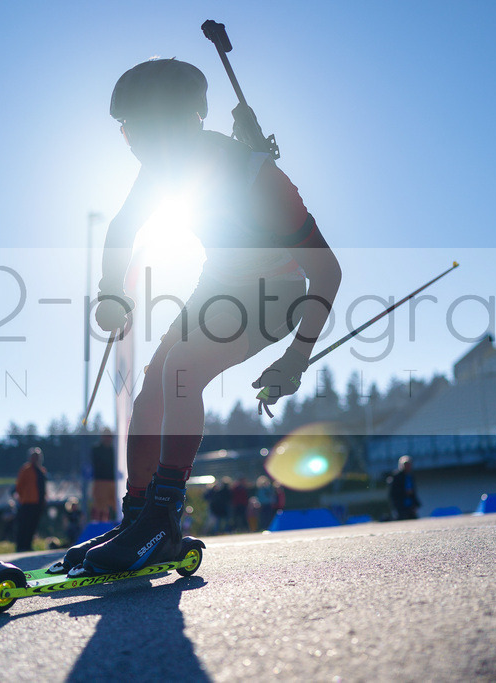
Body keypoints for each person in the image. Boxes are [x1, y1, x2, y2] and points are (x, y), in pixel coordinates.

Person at [50, 57, 340, 576]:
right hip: (220, 285)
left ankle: (162, 521)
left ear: (188, 123)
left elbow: (328, 273)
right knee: (152, 388)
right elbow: (123, 229)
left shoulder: (262, 181)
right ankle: (138, 515)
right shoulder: (160, 168)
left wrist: (297, 357)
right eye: (128, 132)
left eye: (143, 130)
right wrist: (109, 290)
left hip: (276, 293)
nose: (136, 146)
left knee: (181, 369)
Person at [15, 447, 48, 552]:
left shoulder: (42, 470)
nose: (35, 459)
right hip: (27, 502)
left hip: (38, 502)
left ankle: (28, 545)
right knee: (24, 525)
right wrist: (23, 497)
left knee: (33, 525)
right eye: (33, 457)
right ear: (30, 458)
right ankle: (21, 546)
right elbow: (19, 486)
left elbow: (43, 486)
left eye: (37, 457)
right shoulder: (25, 469)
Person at [90, 429, 117, 522]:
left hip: (113, 481)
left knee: (115, 505)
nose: (108, 439)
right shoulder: (96, 449)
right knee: (99, 507)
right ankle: (99, 524)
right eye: (106, 436)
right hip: (100, 482)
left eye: (110, 436)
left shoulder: (115, 450)